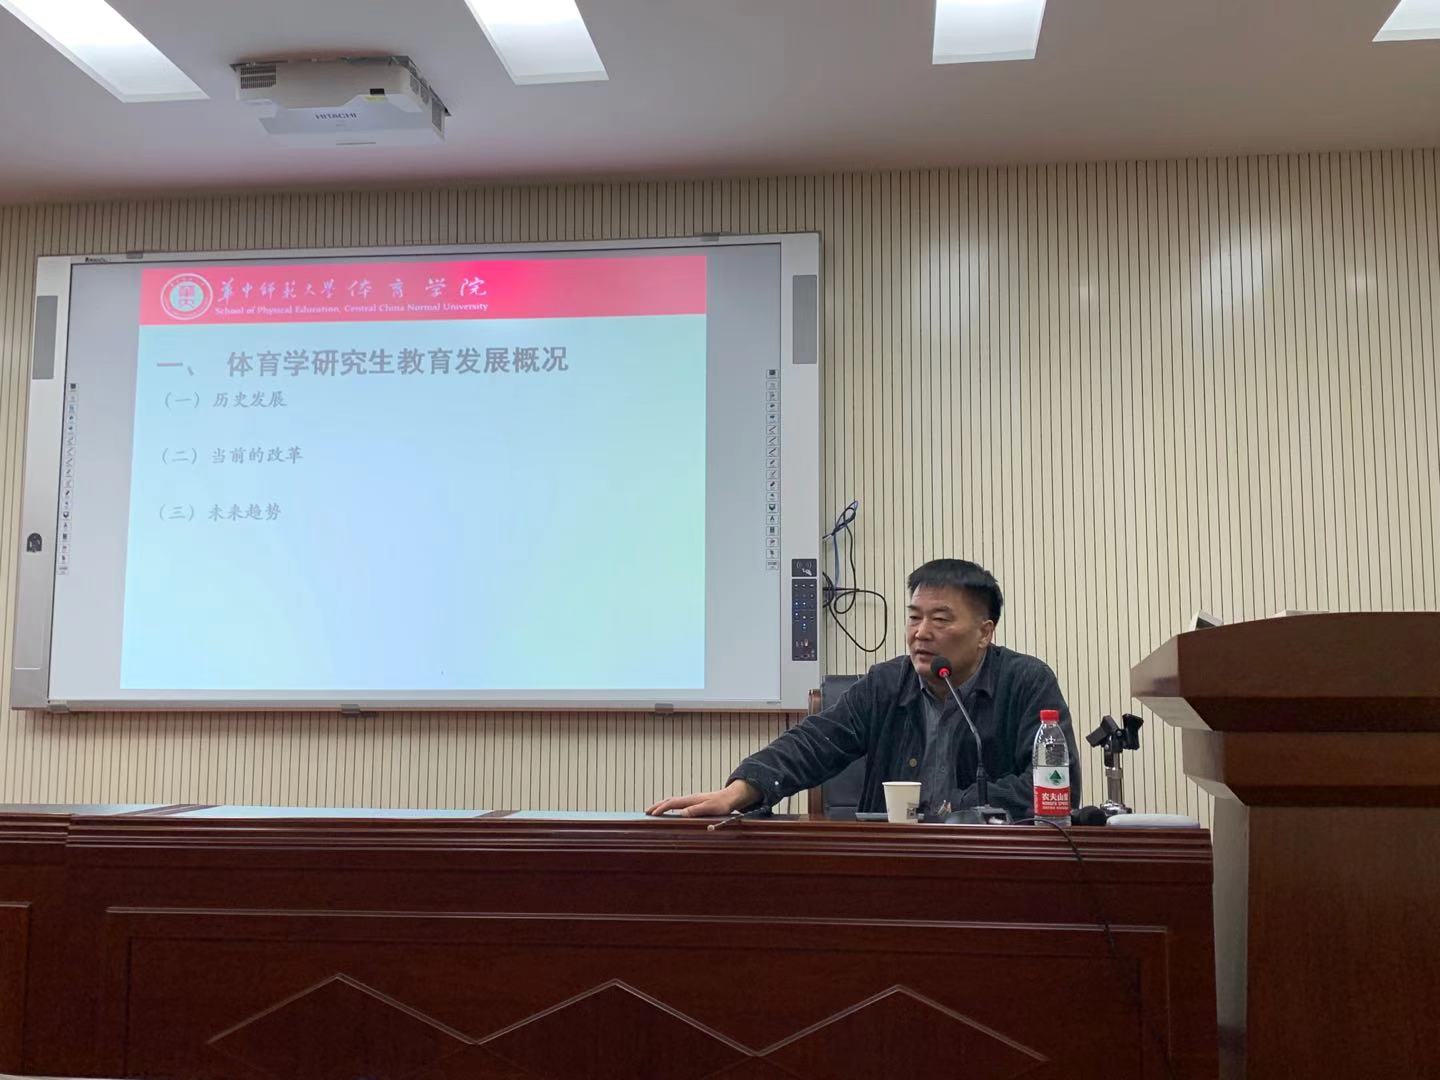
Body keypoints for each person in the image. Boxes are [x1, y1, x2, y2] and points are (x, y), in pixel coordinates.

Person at [646, 558, 1080, 822]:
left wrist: (956, 810)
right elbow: (814, 742)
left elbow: (1055, 788)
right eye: (914, 617)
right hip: (891, 865)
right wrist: (741, 790)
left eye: (941, 619)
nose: (920, 633)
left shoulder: (1026, 682)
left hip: (988, 868)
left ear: (985, 632)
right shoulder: (887, 683)